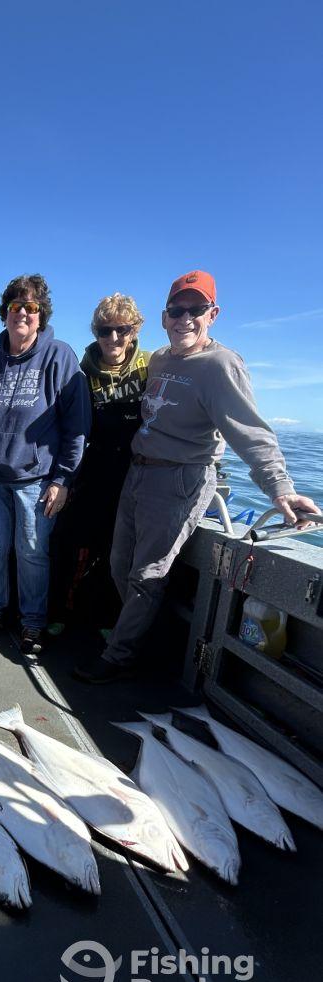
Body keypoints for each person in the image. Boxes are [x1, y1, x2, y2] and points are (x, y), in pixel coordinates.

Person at [74, 270, 321, 683]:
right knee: (119, 565)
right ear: (165, 316)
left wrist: (280, 489)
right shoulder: (159, 359)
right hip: (138, 474)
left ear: (213, 314)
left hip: (180, 480)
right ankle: (141, 631)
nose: (184, 318)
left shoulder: (221, 365)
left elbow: (252, 432)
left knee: (147, 574)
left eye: (195, 309)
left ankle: (118, 656)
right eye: (176, 310)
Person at [0, 274, 91, 654]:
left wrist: (64, 479)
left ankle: (33, 623)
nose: (22, 313)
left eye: (31, 307)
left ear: (41, 315)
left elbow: (77, 427)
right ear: (4, 313)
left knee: (32, 552)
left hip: (37, 482)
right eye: (15, 306)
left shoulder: (61, 357)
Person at [49, 294, 149, 633]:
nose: (114, 338)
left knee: (116, 551)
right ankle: (59, 613)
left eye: (123, 330)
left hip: (132, 476)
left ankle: (107, 619)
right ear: (96, 333)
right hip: (90, 474)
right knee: (69, 543)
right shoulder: (80, 374)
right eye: (106, 331)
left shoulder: (152, 368)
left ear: (134, 331)